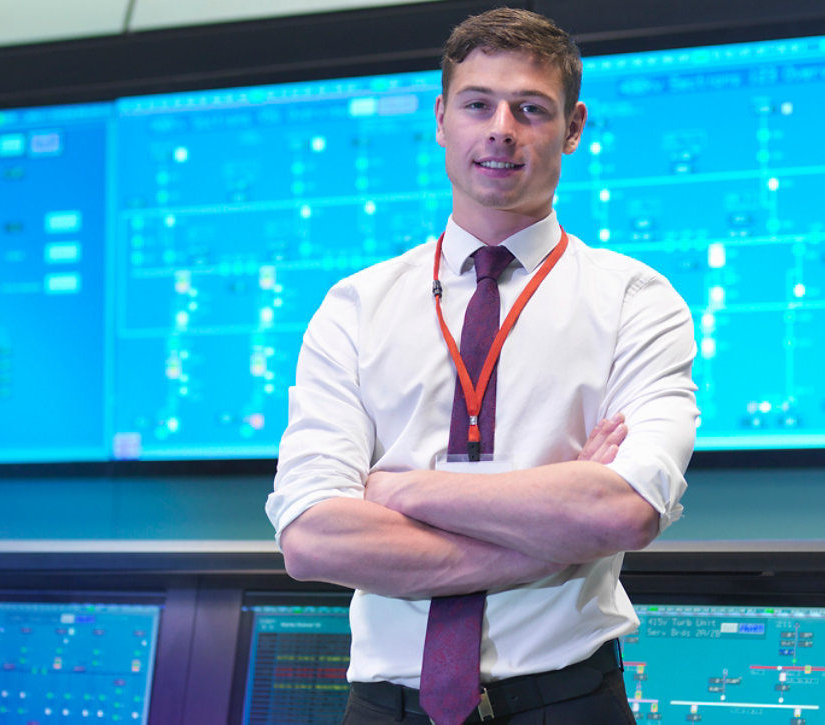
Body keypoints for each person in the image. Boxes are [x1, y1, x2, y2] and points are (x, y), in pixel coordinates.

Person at [266, 8, 698, 724]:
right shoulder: (355, 307)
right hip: (384, 706)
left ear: (573, 127)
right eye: (477, 104)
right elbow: (312, 538)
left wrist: (400, 490)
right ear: (442, 118)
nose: (501, 127)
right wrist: (546, 545)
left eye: (531, 108)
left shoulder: (636, 301)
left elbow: (622, 508)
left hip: (567, 700)